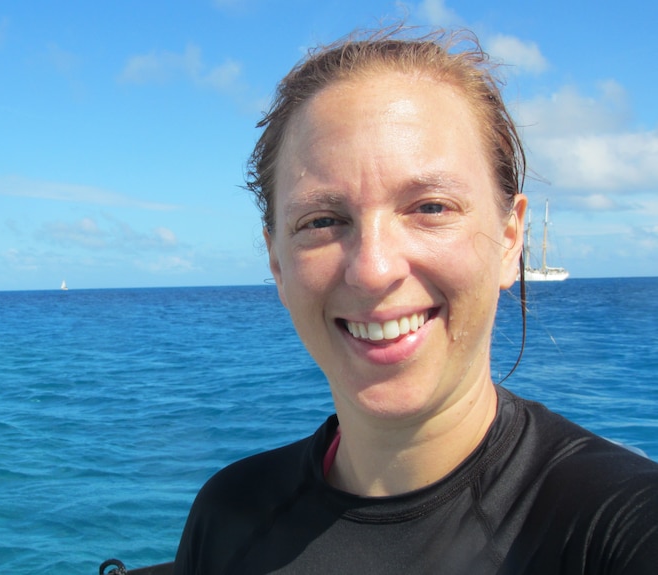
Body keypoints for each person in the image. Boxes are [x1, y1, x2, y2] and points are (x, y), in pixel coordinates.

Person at [174, 26, 658, 574]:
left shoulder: (615, 528)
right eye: (323, 220)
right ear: (278, 263)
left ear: (508, 239)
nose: (374, 269)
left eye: (430, 207)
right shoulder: (228, 513)